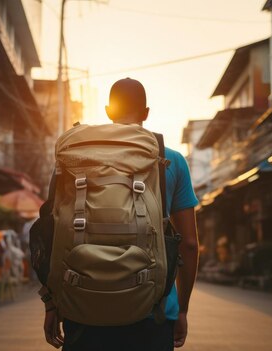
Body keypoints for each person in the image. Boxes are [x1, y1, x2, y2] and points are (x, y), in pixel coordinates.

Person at [42, 78, 199, 350]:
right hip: (155, 310)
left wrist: (51, 303)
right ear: (146, 112)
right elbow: (189, 244)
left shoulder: (76, 158)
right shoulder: (170, 159)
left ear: (108, 111)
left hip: (82, 304)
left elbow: (52, 233)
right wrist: (182, 310)